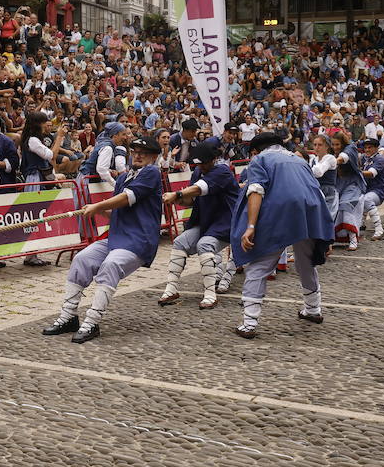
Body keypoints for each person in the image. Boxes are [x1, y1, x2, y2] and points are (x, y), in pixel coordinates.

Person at [42, 136, 164, 344]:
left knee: (111, 265)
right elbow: (119, 209)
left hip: (138, 240)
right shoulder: (126, 176)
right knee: (81, 259)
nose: (138, 155)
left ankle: (92, 322)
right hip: (117, 236)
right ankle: (69, 316)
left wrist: (97, 207)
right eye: (135, 151)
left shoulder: (152, 173)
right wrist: (94, 211)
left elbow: (126, 198)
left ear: (153, 157)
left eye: (144, 153)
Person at [229, 130, 334, 338]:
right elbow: (316, 190)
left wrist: (250, 226)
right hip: (310, 212)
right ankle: (313, 309)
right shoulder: (299, 160)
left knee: (260, 265)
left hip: (280, 213)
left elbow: (256, 190)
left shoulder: (260, 159)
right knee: (306, 261)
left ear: (256, 150)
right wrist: (325, 229)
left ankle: (249, 322)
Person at [157, 140, 239, 309]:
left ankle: (210, 294)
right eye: (199, 164)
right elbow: (191, 200)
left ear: (214, 160)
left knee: (205, 245)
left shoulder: (222, 171)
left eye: (204, 163)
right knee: (180, 242)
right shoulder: (197, 173)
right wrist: (175, 199)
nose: (201, 167)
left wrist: (177, 193)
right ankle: (171, 289)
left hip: (225, 221)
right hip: (206, 221)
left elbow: (200, 188)